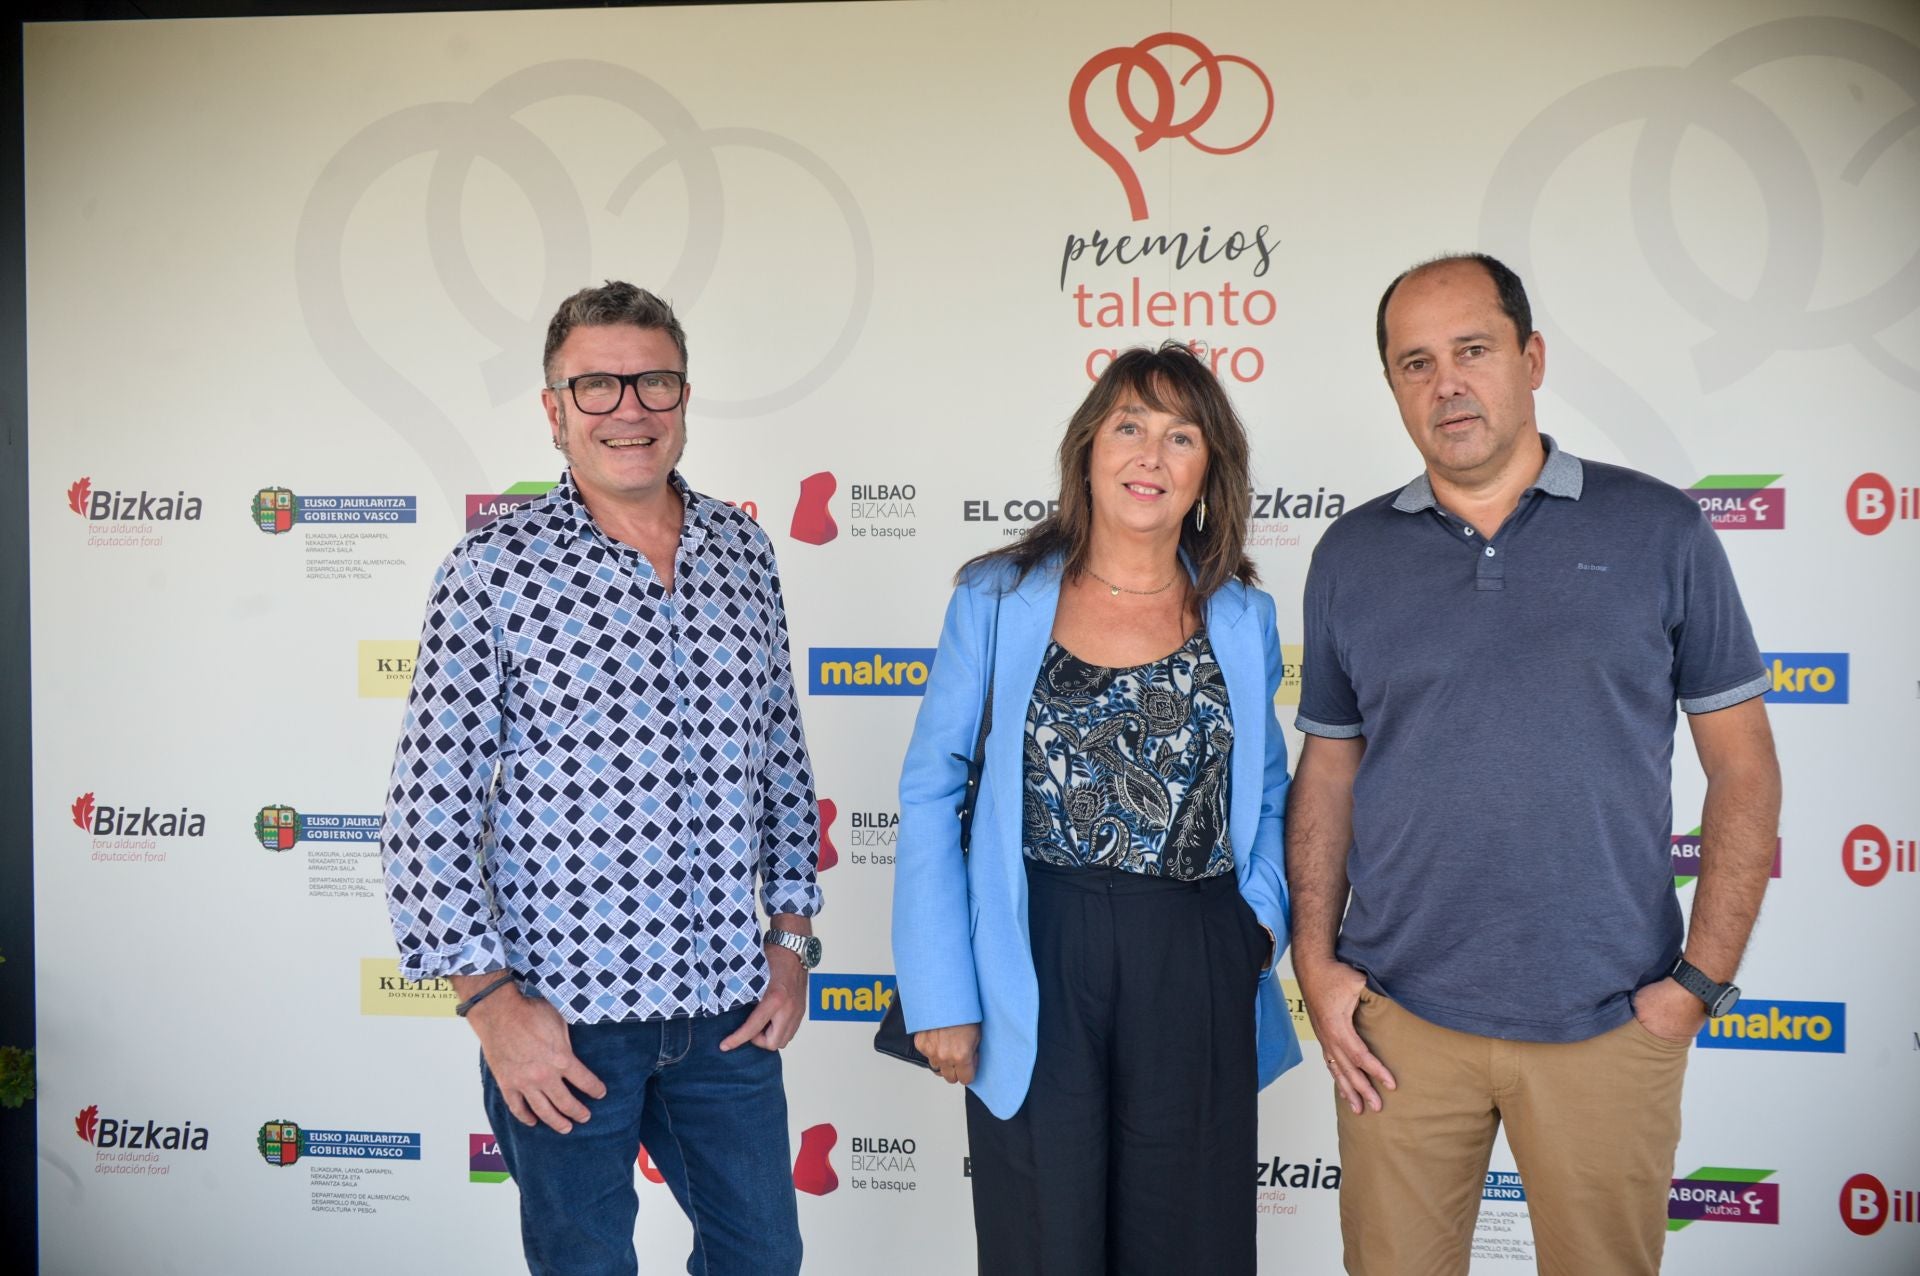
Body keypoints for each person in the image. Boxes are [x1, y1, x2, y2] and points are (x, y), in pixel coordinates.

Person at [1287, 253, 1782, 1275]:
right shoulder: (1350, 556)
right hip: (1400, 1026)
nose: (1446, 384)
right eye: (1414, 363)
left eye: (1472, 350)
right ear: (1392, 387)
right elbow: (1329, 774)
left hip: (1611, 1016)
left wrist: (1700, 981)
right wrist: (1317, 961)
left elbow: (1742, 766)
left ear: (1532, 357)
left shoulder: (1660, 530)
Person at [381, 281, 823, 1276]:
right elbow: (427, 810)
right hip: (562, 1018)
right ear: (553, 409)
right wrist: (493, 1004)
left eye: (653, 381)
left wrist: (791, 937)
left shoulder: (743, 552)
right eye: (597, 385)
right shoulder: (493, 569)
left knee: (762, 1259)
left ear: (684, 395)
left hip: (725, 1009)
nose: (630, 407)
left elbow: (782, 762)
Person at [893, 342, 1303, 1275]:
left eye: (1181, 436)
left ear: (1209, 472)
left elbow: (1270, 786)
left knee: (1187, 1242)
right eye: (1129, 426)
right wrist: (942, 993)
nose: (1149, 455)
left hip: (1197, 952)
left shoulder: (1240, 614)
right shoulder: (995, 596)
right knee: (1048, 1240)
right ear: (1088, 448)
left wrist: (1260, 922)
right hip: (1038, 949)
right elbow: (929, 790)